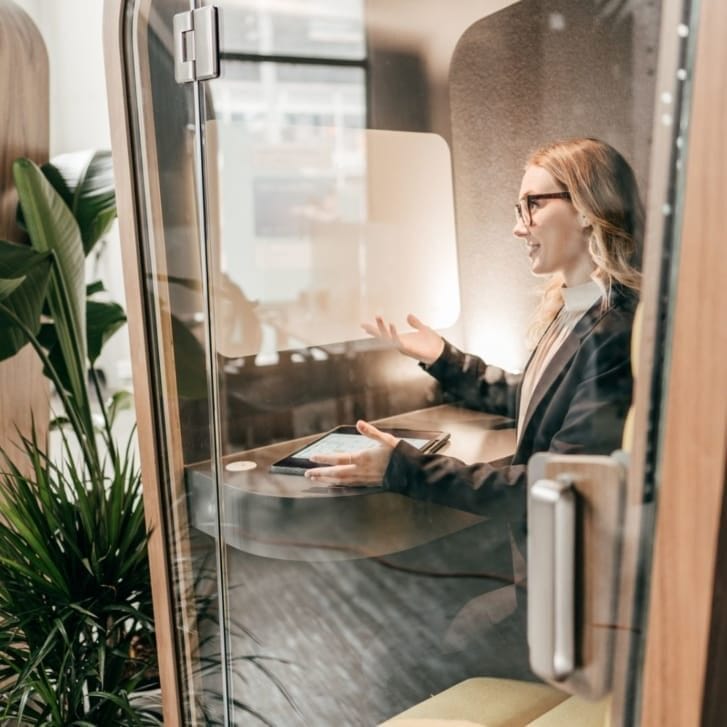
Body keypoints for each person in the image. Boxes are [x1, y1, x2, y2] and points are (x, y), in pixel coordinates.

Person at [304, 137, 642, 517]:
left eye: (533, 204)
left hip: (572, 562)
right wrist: (443, 357)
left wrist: (404, 468)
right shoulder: (578, 307)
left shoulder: (616, 330)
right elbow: (535, 402)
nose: (519, 228)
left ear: (586, 208)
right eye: (519, 209)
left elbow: (554, 486)